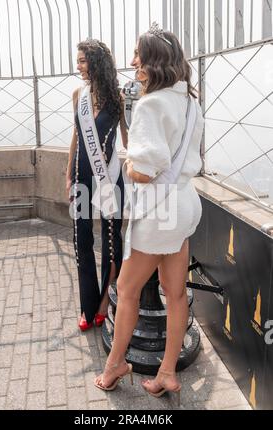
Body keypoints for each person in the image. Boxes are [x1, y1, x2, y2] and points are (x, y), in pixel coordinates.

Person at [94, 24, 204, 402]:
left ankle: (114, 368)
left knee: (126, 290)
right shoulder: (191, 101)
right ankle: (168, 374)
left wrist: (126, 161)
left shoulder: (151, 104)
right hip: (185, 204)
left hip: (158, 214)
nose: (132, 62)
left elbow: (146, 169)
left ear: (154, 60)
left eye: (138, 54)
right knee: (174, 293)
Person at [66, 39, 127, 331]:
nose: (78, 66)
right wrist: (68, 174)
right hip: (81, 173)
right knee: (82, 240)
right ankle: (87, 307)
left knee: (111, 241)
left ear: (97, 62)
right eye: (78, 61)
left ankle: (104, 300)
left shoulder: (117, 97)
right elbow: (76, 138)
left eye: (82, 60)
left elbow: (127, 141)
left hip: (109, 176)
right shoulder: (78, 94)